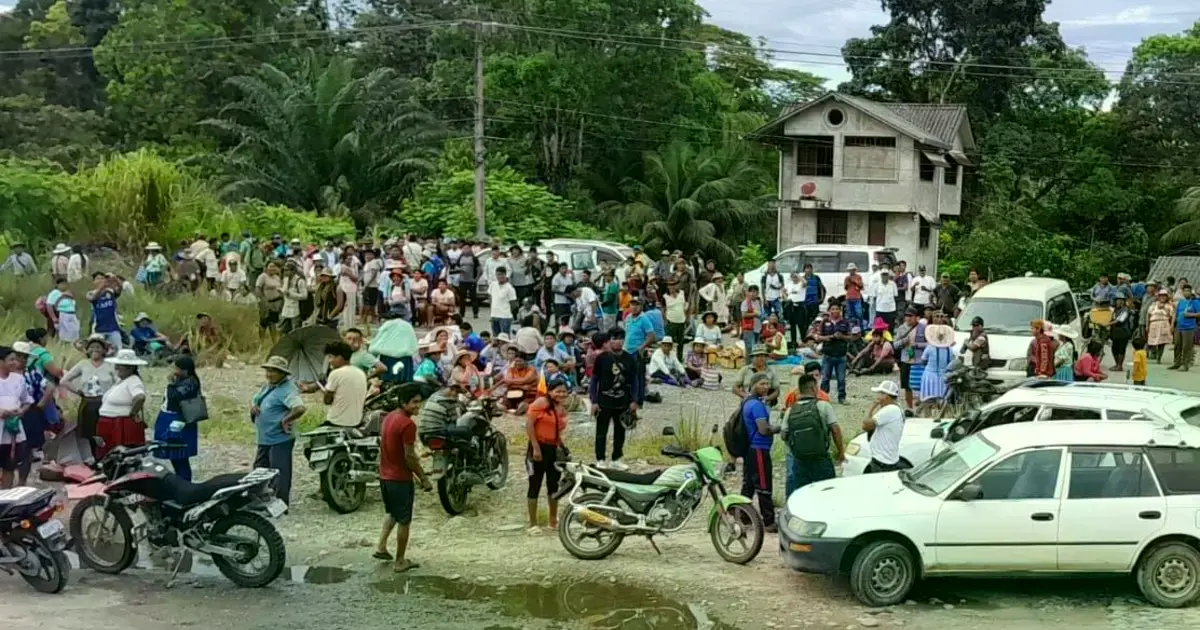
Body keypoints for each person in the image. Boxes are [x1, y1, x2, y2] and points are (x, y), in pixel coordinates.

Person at [374, 382, 431, 572]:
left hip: (385, 476)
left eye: (419, 402)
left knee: (392, 513)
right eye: (414, 402)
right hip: (399, 479)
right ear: (403, 402)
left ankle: (381, 546)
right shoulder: (408, 424)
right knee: (404, 521)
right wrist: (423, 478)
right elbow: (409, 456)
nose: (417, 406)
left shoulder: (389, 417)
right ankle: (400, 561)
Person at [252, 356, 307, 506]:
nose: (269, 374)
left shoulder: (287, 389)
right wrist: (254, 405)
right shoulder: (269, 386)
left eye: (274, 371)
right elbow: (257, 398)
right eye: (268, 370)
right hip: (265, 437)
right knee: (259, 469)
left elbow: (300, 408)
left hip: (279, 438)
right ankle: (261, 499)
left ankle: (281, 504)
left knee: (279, 472)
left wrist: (286, 420)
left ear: (282, 373)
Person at [783, 374, 844, 497]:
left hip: (800, 460)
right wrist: (840, 451)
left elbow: (784, 434)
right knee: (827, 493)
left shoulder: (790, 410)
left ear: (799, 390)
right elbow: (835, 429)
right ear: (814, 388)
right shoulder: (823, 405)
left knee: (802, 494)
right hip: (821, 458)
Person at [62, 335, 118, 464]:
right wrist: (78, 391)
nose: (95, 350)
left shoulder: (110, 365)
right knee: (90, 433)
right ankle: (95, 458)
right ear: (87, 350)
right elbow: (64, 380)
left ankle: (108, 458)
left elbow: (118, 383)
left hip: (105, 404)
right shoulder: (83, 364)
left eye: (98, 347)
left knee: (106, 432)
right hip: (88, 402)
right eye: (92, 347)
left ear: (104, 350)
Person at [589, 330, 639, 470]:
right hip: (604, 401)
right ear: (609, 341)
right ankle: (600, 459)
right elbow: (594, 380)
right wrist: (594, 401)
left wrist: (634, 400)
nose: (617, 341)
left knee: (620, 431)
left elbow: (635, 381)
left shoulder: (630, 359)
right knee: (601, 432)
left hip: (623, 401)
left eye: (620, 338)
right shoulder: (602, 358)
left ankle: (616, 458)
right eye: (614, 338)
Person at [526, 376, 569, 533]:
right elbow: (529, 424)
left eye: (564, 392)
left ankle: (552, 520)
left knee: (553, 486)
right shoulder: (541, 403)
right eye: (558, 391)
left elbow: (557, 430)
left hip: (552, 448)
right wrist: (535, 447)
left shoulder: (560, 408)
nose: (562, 394)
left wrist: (563, 448)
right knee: (535, 484)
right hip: (538, 447)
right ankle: (533, 523)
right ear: (550, 391)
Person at [153, 356, 202, 481]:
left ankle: (185, 483)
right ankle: (181, 481)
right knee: (173, 456)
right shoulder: (181, 381)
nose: (175, 370)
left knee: (180, 456)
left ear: (185, 370)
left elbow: (175, 397)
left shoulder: (191, 383)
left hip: (178, 421)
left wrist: (171, 383)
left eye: (177, 368)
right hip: (168, 418)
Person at [741, 373, 779, 531]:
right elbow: (763, 429)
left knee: (749, 484)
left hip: (751, 449)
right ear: (753, 384)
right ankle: (769, 521)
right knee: (764, 485)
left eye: (767, 384)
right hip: (759, 449)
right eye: (762, 384)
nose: (766, 387)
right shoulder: (756, 405)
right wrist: (779, 428)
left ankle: (742, 514)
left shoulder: (747, 402)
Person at [95, 349, 148, 460]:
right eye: (117, 365)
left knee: (118, 454)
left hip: (120, 424)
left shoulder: (133, 380)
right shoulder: (121, 380)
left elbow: (140, 397)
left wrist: (132, 413)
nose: (117, 368)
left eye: (121, 365)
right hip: (109, 423)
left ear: (131, 368)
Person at [0, 347, 34, 489]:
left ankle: (4, 499)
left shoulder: (19, 379)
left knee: (9, 465)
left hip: (12, 429)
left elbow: (27, 400)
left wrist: (21, 411)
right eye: (11, 360)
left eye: (16, 359)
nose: (15, 363)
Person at [319, 341, 368, 428]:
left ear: (340, 358)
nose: (329, 361)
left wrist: (325, 392)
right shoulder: (361, 373)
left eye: (330, 357)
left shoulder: (336, 373)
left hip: (337, 421)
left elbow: (327, 401)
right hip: (356, 421)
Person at [862, 380, 907, 473]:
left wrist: (872, 407)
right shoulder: (897, 408)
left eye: (879, 394)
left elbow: (865, 425)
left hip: (882, 462)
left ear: (886, 395)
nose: (877, 397)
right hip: (889, 459)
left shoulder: (889, 410)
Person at [817, 302, 854, 404]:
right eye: (832, 309)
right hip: (828, 355)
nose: (835, 311)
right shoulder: (824, 322)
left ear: (840, 310)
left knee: (841, 379)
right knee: (825, 378)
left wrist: (842, 336)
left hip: (841, 356)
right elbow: (818, 337)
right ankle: (823, 397)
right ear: (829, 311)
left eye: (837, 309)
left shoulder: (846, 322)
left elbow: (851, 337)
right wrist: (830, 337)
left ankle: (842, 397)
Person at [370, 314, 419, 383]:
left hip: (388, 359)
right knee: (404, 384)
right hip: (405, 359)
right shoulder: (407, 326)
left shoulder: (387, 324)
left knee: (387, 382)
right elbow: (414, 345)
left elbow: (376, 343)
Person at [919, 322, 956, 404]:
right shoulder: (949, 349)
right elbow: (952, 363)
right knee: (943, 399)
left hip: (930, 376)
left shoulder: (930, 348)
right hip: (944, 377)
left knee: (929, 399)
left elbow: (923, 361)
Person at [88, 272, 122, 350]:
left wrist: (115, 278)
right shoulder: (91, 293)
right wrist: (102, 286)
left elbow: (120, 289)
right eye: (98, 278)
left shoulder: (110, 292)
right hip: (98, 329)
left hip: (113, 329)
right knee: (97, 351)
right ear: (94, 282)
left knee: (117, 351)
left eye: (102, 278)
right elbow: (92, 298)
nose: (101, 280)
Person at [1170, 285, 1199, 372]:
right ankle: (1177, 363)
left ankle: (1185, 364)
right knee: (1177, 345)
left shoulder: (1195, 302)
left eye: (1188, 291)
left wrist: (1190, 315)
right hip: (1179, 326)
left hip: (1189, 328)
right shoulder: (1181, 302)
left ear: (1191, 292)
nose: (1186, 292)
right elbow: (1176, 313)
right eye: (1185, 291)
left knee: (1186, 347)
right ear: (1182, 292)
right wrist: (1172, 324)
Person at [1146, 289, 1175, 363]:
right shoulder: (1154, 304)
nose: (1162, 297)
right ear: (1158, 297)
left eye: (1164, 296)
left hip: (1164, 324)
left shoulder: (1169, 305)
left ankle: (1159, 358)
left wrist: (1172, 326)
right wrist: (1147, 325)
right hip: (1154, 324)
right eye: (1161, 296)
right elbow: (1148, 315)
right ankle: (1148, 354)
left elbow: (1172, 316)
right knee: (1151, 341)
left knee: (1162, 343)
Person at [489, 267, 519, 336]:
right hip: (494, 315)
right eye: (498, 274)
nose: (500, 276)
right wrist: (492, 311)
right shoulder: (493, 284)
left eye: (502, 274)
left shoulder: (510, 288)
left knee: (504, 338)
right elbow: (490, 297)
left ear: (505, 275)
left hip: (505, 317)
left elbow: (514, 304)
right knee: (495, 337)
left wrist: (507, 311)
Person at [739, 285, 764, 360]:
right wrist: (755, 314)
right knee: (749, 348)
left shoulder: (758, 301)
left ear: (758, 293)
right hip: (748, 328)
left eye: (755, 291)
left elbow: (761, 313)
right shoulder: (745, 302)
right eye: (751, 291)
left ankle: (754, 364)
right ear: (748, 293)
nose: (753, 293)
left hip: (757, 327)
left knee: (756, 348)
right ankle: (748, 365)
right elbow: (744, 315)